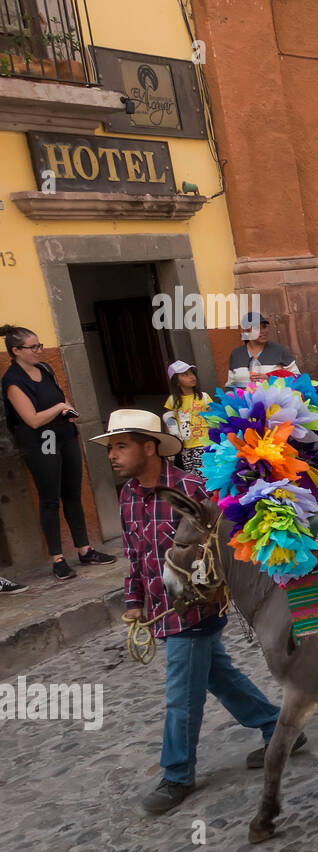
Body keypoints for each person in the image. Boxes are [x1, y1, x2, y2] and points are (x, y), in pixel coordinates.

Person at [91, 409, 302, 814]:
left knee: (180, 695)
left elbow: (225, 546)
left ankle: (176, 775)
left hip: (194, 608)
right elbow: (135, 556)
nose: (113, 455)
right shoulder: (129, 496)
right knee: (217, 675)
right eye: (111, 448)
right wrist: (134, 600)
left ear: (149, 447)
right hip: (160, 608)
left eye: (121, 446)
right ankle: (277, 726)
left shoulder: (193, 490)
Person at [2, 325, 116, 581]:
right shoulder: (12, 381)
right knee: (50, 498)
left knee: (72, 493)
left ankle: (84, 549)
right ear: (16, 351)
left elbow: (56, 399)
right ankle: (58, 559)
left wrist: (66, 411)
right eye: (33, 347)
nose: (39, 351)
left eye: (40, 345)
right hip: (42, 442)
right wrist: (60, 407)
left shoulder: (44, 369)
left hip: (64, 437)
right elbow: (31, 419)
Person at [161, 360, 214, 474]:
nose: (191, 377)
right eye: (185, 375)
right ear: (177, 382)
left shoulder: (204, 397)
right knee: (191, 476)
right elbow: (169, 422)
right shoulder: (172, 401)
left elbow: (214, 419)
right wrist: (170, 446)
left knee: (204, 474)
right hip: (185, 446)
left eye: (191, 373)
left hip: (204, 443)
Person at [226, 312, 298, 388]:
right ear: (246, 332)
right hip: (243, 399)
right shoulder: (236, 354)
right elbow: (231, 385)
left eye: (264, 326)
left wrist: (270, 379)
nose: (263, 331)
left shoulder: (279, 350)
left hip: (275, 399)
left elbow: (297, 378)